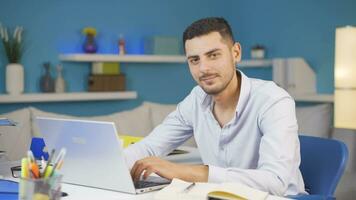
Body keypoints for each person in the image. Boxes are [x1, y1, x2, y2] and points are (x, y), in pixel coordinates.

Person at [124, 17, 305, 196]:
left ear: (236, 53)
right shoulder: (196, 99)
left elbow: (276, 182)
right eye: (194, 60)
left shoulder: (273, 100)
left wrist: (186, 172)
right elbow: (149, 147)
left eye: (213, 55)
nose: (204, 68)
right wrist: (112, 163)